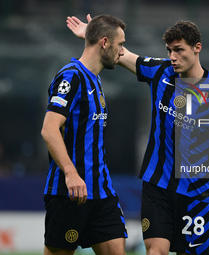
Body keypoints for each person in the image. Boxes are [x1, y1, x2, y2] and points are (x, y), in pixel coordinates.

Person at [67, 15, 209, 255]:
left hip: (196, 191)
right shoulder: (160, 71)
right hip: (157, 186)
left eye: (179, 50)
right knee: (156, 251)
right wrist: (93, 36)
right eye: (169, 50)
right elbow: (122, 53)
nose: (173, 57)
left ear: (197, 48)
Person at [41, 14, 128, 255]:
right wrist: (70, 173)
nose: (122, 52)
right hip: (69, 193)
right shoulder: (71, 76)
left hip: (101, 192)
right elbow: (49, 129)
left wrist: (93, 33)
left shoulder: (95, 79)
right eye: (120, 45)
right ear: (104, 43)